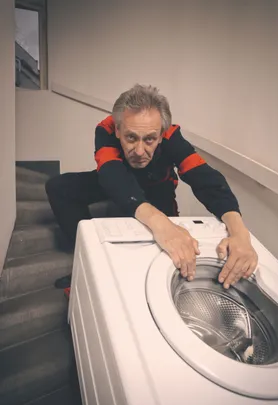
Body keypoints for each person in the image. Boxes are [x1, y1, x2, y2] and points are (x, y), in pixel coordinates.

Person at [46, 84, 258, 297]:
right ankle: (89, 260)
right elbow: (112, 176)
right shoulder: (106, 129)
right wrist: (157, 222)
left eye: (149, 139)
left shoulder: (172, 136)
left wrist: (240, 232)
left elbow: (205, 179)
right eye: (130, 138)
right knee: (59, 187)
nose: (139, 151)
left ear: (161, 135)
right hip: (117, 180)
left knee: (164, 247)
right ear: (118, 130)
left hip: (158, 187)